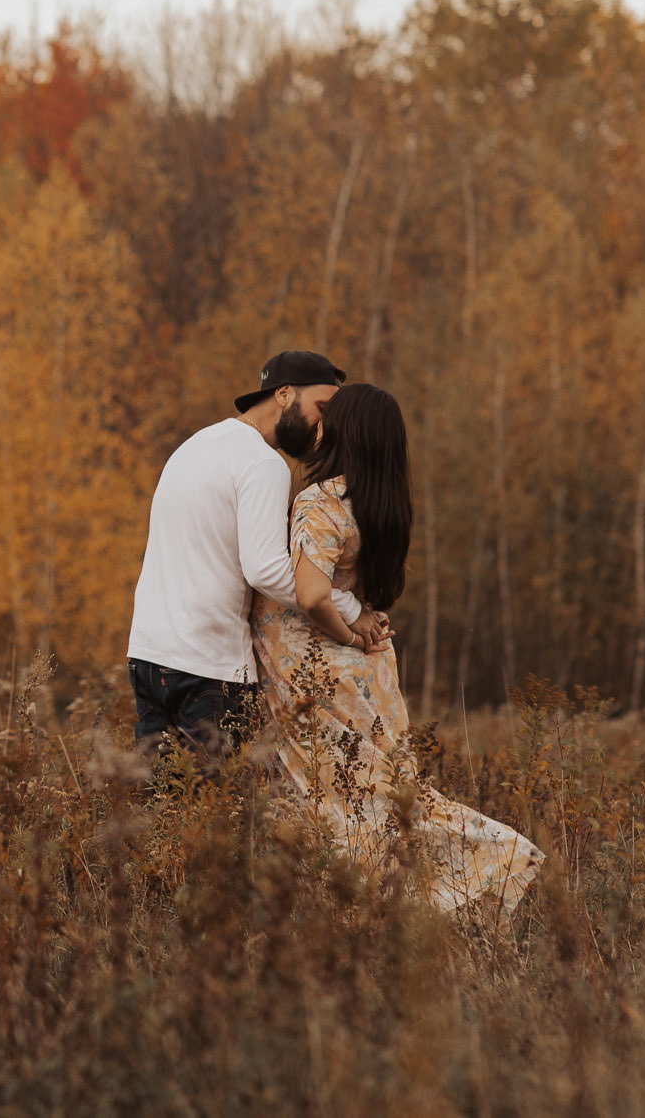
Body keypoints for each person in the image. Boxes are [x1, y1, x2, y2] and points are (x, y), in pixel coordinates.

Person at [251, 381, 543, 917]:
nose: (318, 425)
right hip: (371, 671)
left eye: (329, 418)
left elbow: (313, 595)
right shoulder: (383, 505)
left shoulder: (321, 500)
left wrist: (346, 630)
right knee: (383, 789)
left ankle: (499, 857)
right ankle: (402, 904)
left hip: (319, 665)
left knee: (346, 792)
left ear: (344, 432)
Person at [126, 350, 381, 750]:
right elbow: (265, 570)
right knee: (221, 807)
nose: (325, 425)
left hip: (148, 653)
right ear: (283, 394)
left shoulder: (196, 444)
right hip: (208, 667)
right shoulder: (263, 464)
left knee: (162, 804)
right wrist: (349, 610)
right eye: (322, 407)